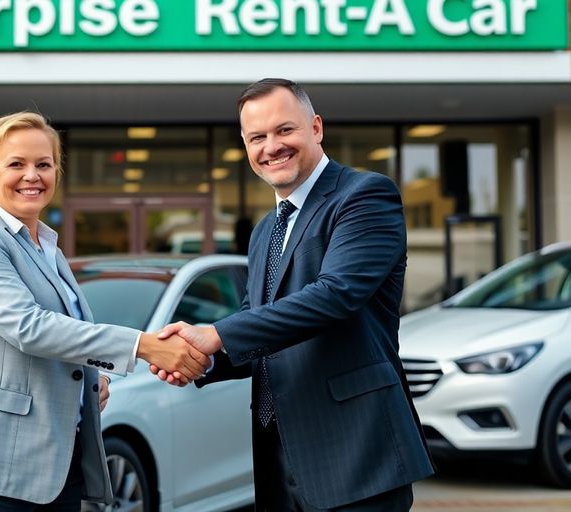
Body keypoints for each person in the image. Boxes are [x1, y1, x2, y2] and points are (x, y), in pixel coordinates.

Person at [153, 79, 435, 511]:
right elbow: (258, 325)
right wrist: (201, 359)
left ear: (316, 128)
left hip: (356, 452)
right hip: (281, 455)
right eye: (257, 137)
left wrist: (216, 334)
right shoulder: (266, 229)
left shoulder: (364, 196)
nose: (271, 147)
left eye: (285, 130)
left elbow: (334, 296)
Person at [0, 111, 209, 511]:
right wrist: (144, 345)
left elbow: (64, 337)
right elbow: (29, 328)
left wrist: (84, 384)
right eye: (17, 164)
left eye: (44, 164)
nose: (33, 175)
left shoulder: (47, 246)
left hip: (54, 468)